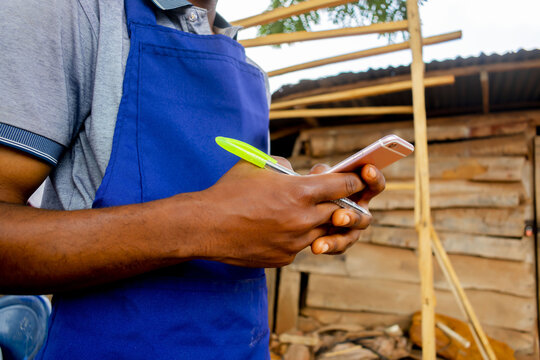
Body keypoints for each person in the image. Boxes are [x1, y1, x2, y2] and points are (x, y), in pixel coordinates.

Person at [0, 0, 385, 358]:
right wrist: (203, 224)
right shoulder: (73, 13)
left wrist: (304, 213)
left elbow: (247, 223)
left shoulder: (248, 68)